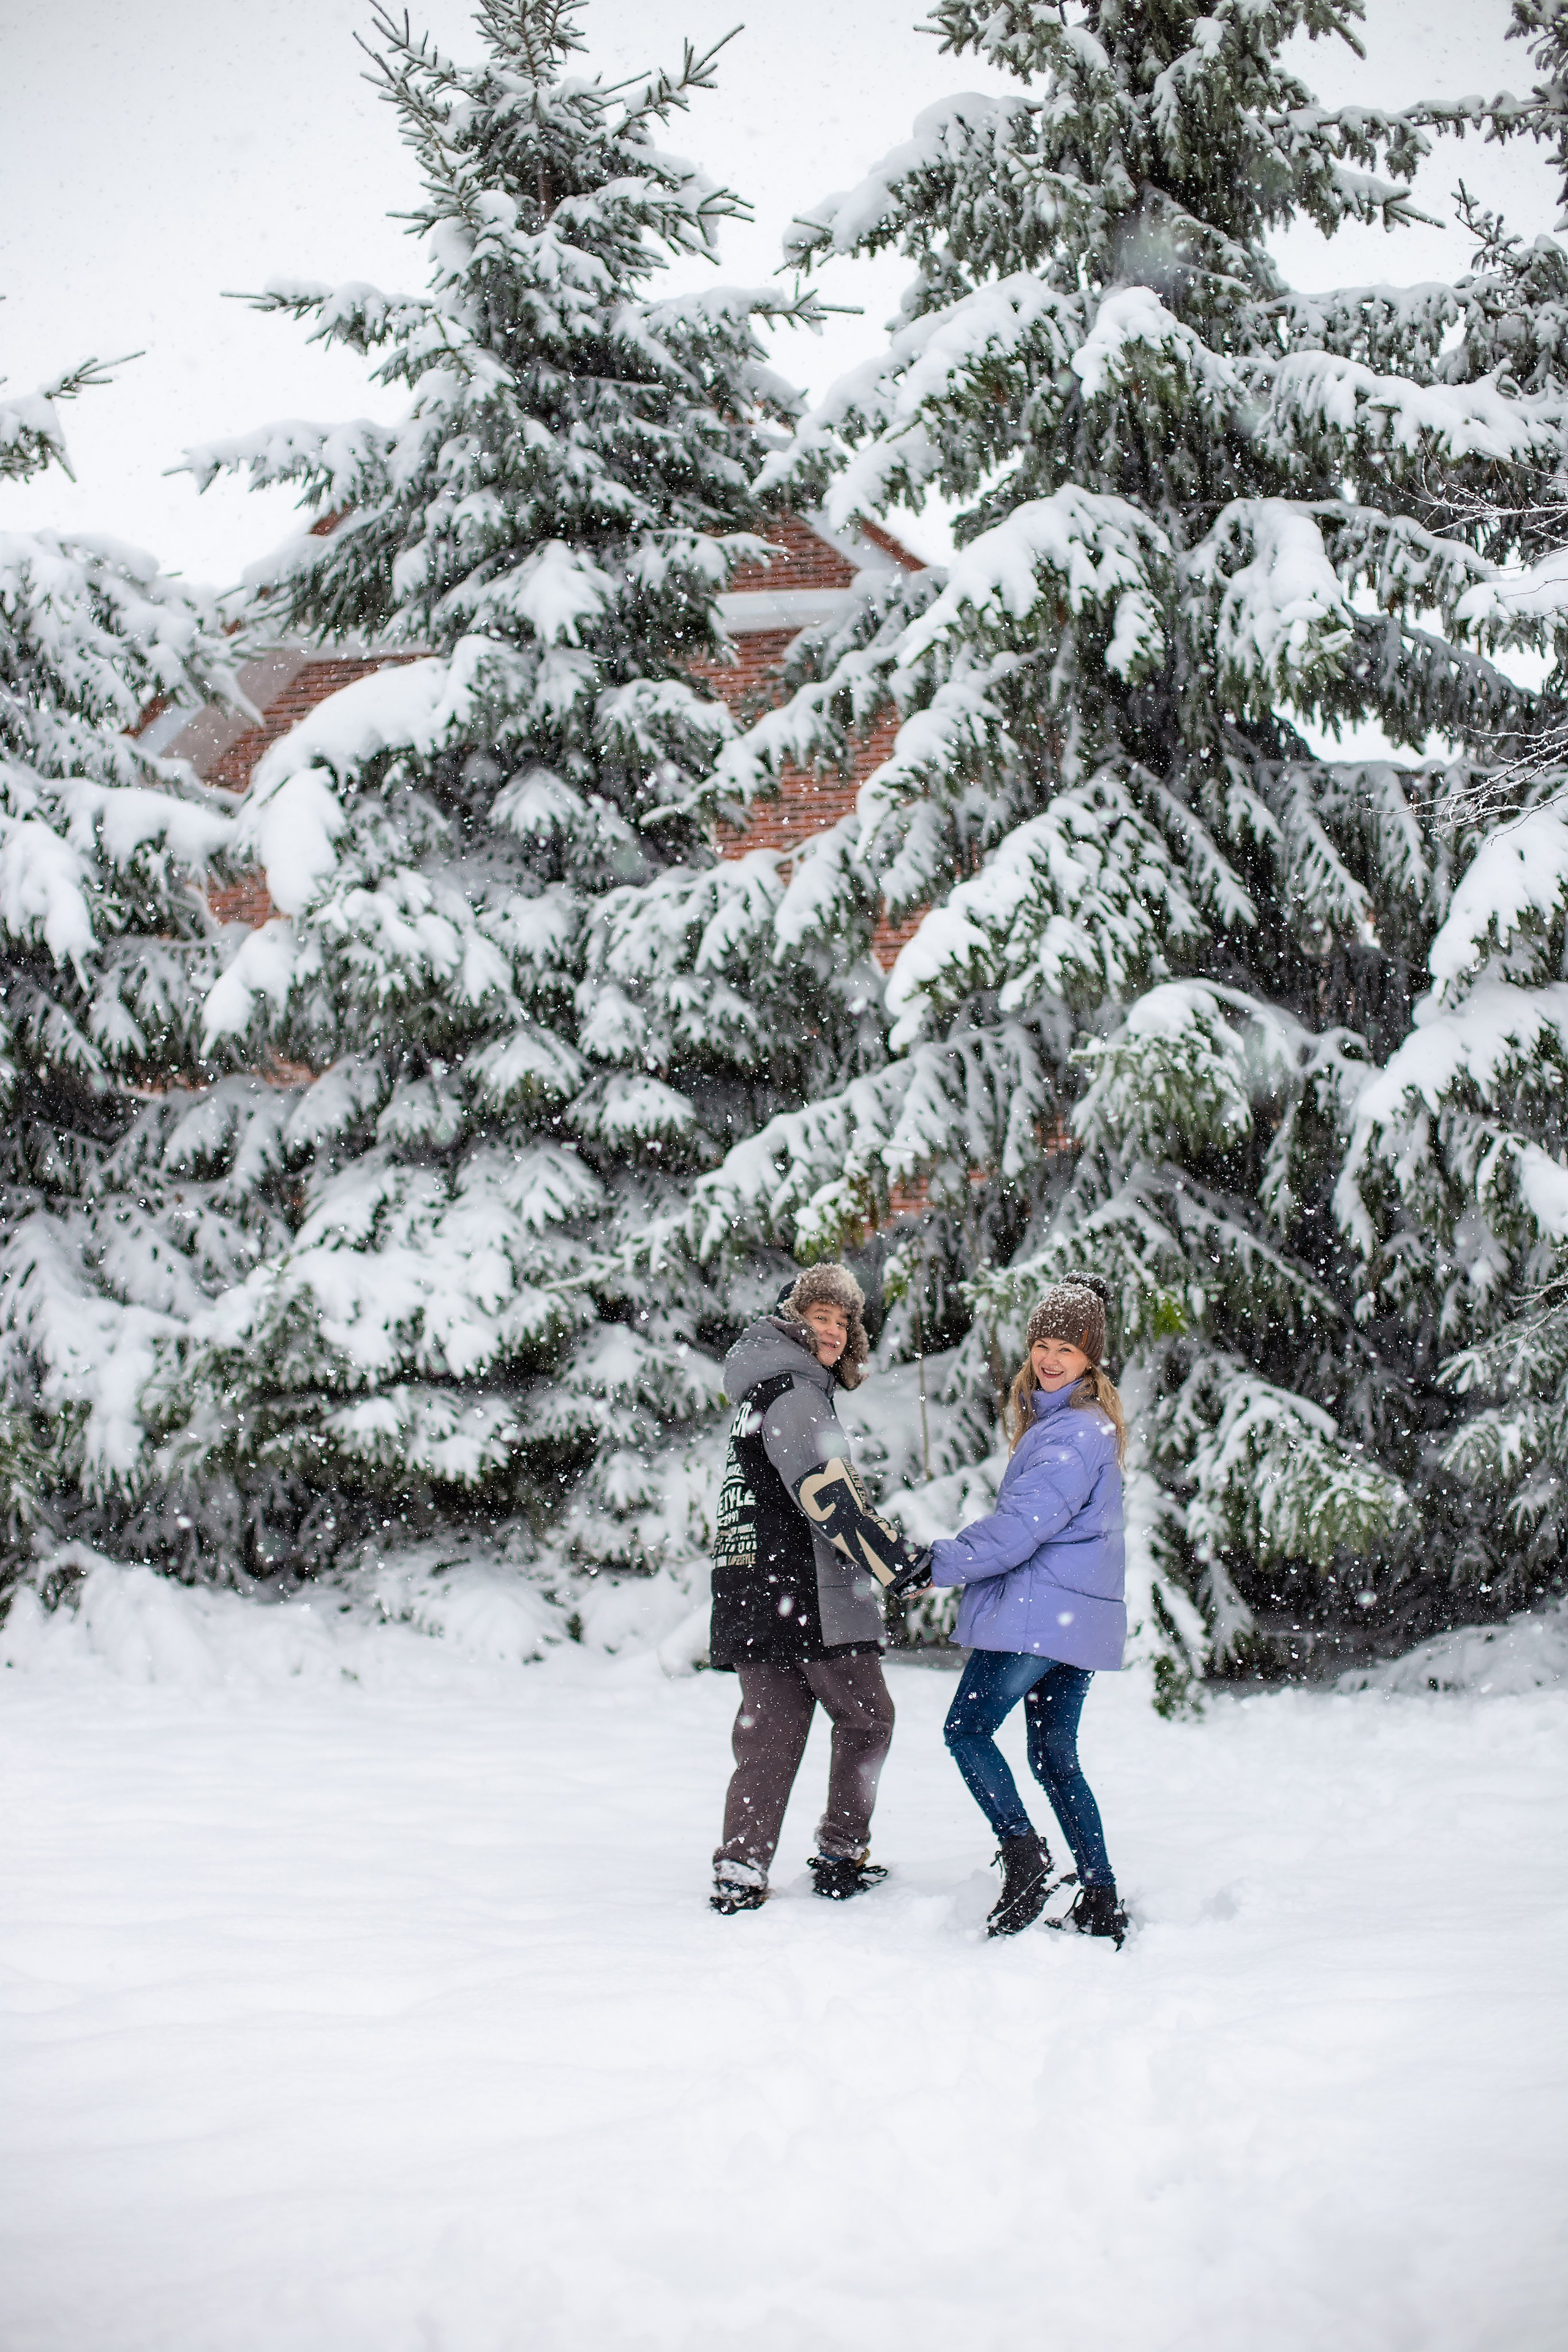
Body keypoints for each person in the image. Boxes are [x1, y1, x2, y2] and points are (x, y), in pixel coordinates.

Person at [709, 1264, 931, 1916]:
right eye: (821, 1318)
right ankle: (840, 1853)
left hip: (752, 1592)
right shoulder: (796, 1395)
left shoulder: (756, 1398)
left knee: (770, 1737)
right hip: (811, 1594)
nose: (833, 1332)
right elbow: (828, 1495)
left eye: (843, 1322)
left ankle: (741, 1868)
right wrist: (896, 1562)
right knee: (868, 1720)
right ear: (792, 1322)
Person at [925, 1276, 1131, 1945]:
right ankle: (1098, 1891)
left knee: (967, 1730)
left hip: (1040, 1617)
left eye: (1066, 1349)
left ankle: (1023, 1852)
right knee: (1054, 1757)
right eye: (1042, 1343)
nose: (1049, 1358)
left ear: (1089, 1359)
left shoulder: (1071, 1434)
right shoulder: (1074, 1425)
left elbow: (1020, 1529)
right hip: (1070, 1620)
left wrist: (938, 1563)